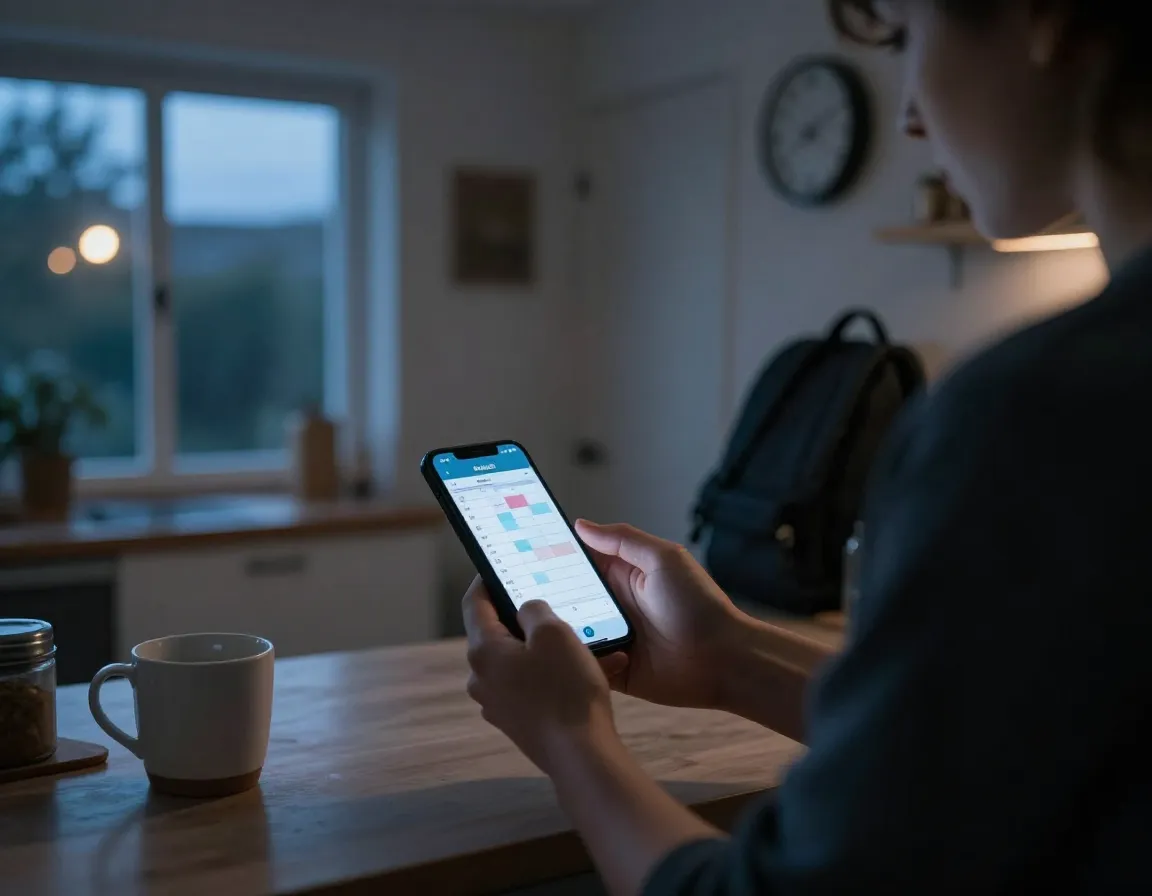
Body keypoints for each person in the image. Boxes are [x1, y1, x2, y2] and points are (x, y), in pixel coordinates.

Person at [462, 1, 1152, 893]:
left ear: (1042, 17)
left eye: (906, 38)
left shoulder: (1038, 415)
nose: (908, 113)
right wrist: (732, 657)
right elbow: (1017, 735)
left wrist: (568, 738)